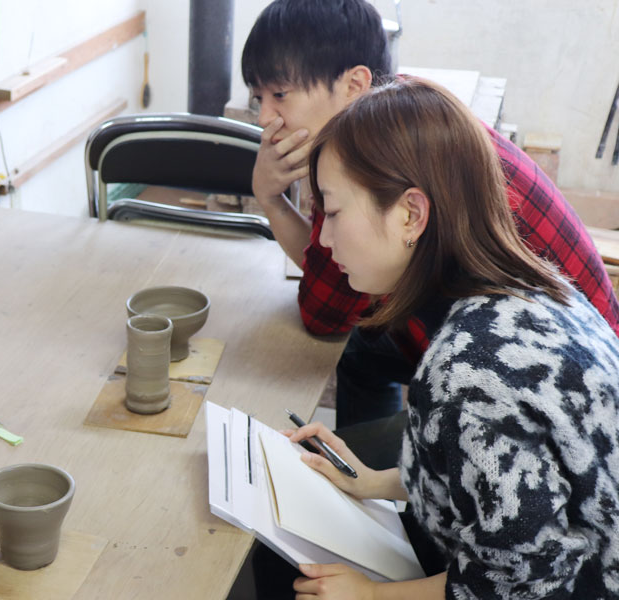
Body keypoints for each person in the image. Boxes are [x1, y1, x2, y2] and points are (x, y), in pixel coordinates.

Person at [283, 76, 619, 599]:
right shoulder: (532, 283)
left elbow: (520, 585)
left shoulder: (470, 370)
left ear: (411, 214)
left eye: (334, 210)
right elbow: (497, 474)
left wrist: (371, 597)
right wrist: (371, 480)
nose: (323, 238)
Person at [242, 0, 619, 431]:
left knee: (355, 352)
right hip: (570, 356)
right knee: (364, 350)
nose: (266, 117)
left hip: (566, 410)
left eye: (280, 95)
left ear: (354, 85)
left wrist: (271, 199)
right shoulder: (401, 113)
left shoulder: (371, 165)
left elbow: (323, 313)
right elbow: (333, 273)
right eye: (259, 98)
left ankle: (366, 470)